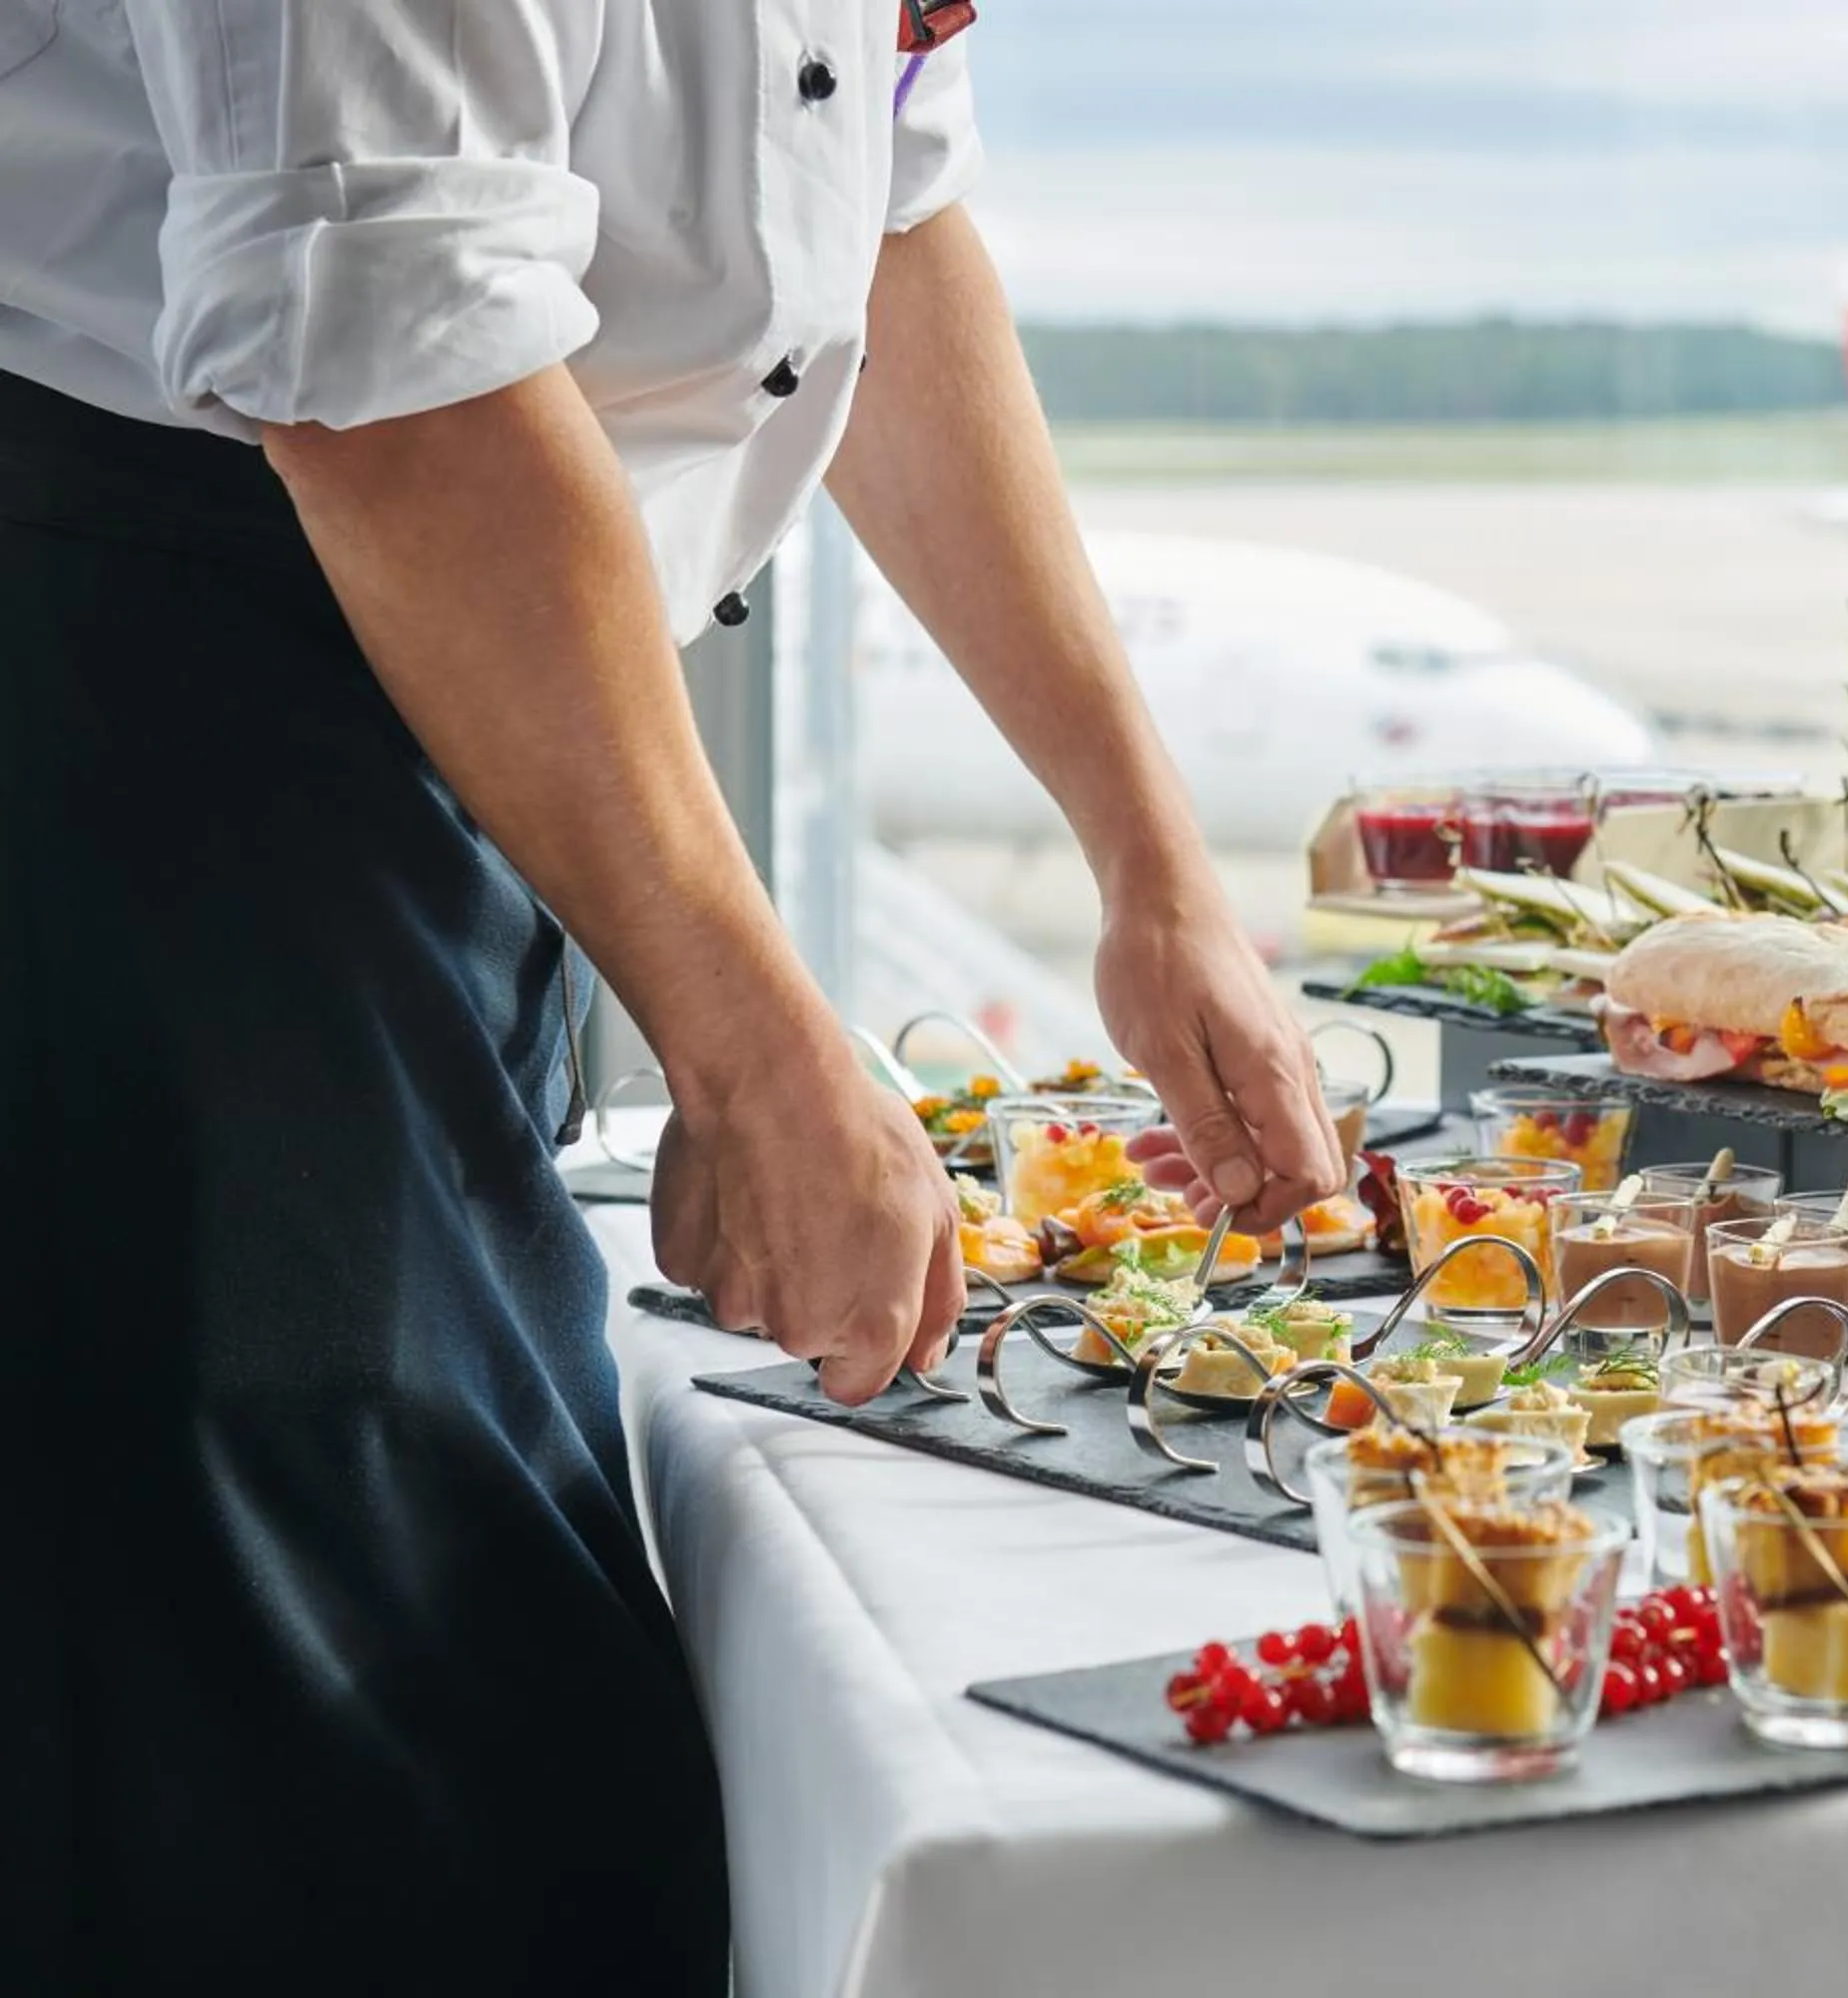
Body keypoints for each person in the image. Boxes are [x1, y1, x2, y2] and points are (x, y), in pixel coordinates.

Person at [0, 5, 1341, 1991]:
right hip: (137, 710)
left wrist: (1154, 867)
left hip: (487, 686)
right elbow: (394, 371)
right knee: (333, 1791)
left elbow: (886, 210)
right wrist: (762, 1051)